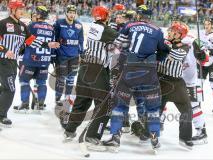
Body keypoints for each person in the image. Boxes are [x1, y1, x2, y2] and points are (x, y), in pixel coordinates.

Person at [103, 5, 169, 153]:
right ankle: (154, 137)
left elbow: (116, 46)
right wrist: (155, 59)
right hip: (149, 73)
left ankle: (115, 136)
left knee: (120, 105)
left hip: (129, 71)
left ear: (139, 16)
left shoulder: (129, 25)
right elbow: (164, 51)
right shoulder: (158, 30)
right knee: (152, 107)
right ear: (150, 17)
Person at [63, 6, 118, 151]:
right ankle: (92, 138)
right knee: (106, 104)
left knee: (82, 100)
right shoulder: (103, 29)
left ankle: (69, 130)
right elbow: (123, 39)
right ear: (105, 17)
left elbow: (110, 46)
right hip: (97, 70)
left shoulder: (95, 27)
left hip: (85, 68)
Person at [0, 0, 59, 126]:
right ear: (12, 10)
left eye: (23, 9)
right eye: (20, 9)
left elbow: (31, 40)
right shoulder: (3, 24)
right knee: (10, 89)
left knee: (5, 88)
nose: (22, 11)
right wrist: (5, 50)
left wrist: (47, 44)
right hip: (2, 60)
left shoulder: (22, 26)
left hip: (11, 62)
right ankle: (2, 115)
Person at [14, 6, 59, 112]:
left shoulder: (32, 25)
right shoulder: (51, 28)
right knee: (42, 82)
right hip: (44, 60)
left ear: (39, 15)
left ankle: (25, 104)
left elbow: (25, 40)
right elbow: (52, 45)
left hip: (30, 59)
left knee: (24, 81)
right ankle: (41, 104)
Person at [156, 22, 194, 149]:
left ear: (179, 35)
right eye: (170, 30)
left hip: (177, 83)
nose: (169, 32)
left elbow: (176, 56)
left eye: (173, 31)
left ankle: (185, 137)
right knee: (155, 110)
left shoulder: (184, 46)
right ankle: (148, 133)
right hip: (161, 81)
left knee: (187, 110)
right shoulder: (162, 42)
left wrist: (165, 46)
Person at [53, 4, 84, 106]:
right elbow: (54, 39)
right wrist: (53, 54)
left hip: (74, 56)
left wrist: (81, 54)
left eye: (73, 13)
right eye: (70, 12)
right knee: (61, 79)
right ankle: (57, 98)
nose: (72, 14)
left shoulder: (79, 25)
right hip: (62, 56)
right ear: (66, 12)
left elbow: (81, 41)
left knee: (71, 79)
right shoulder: (59, 23)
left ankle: (67, 97)